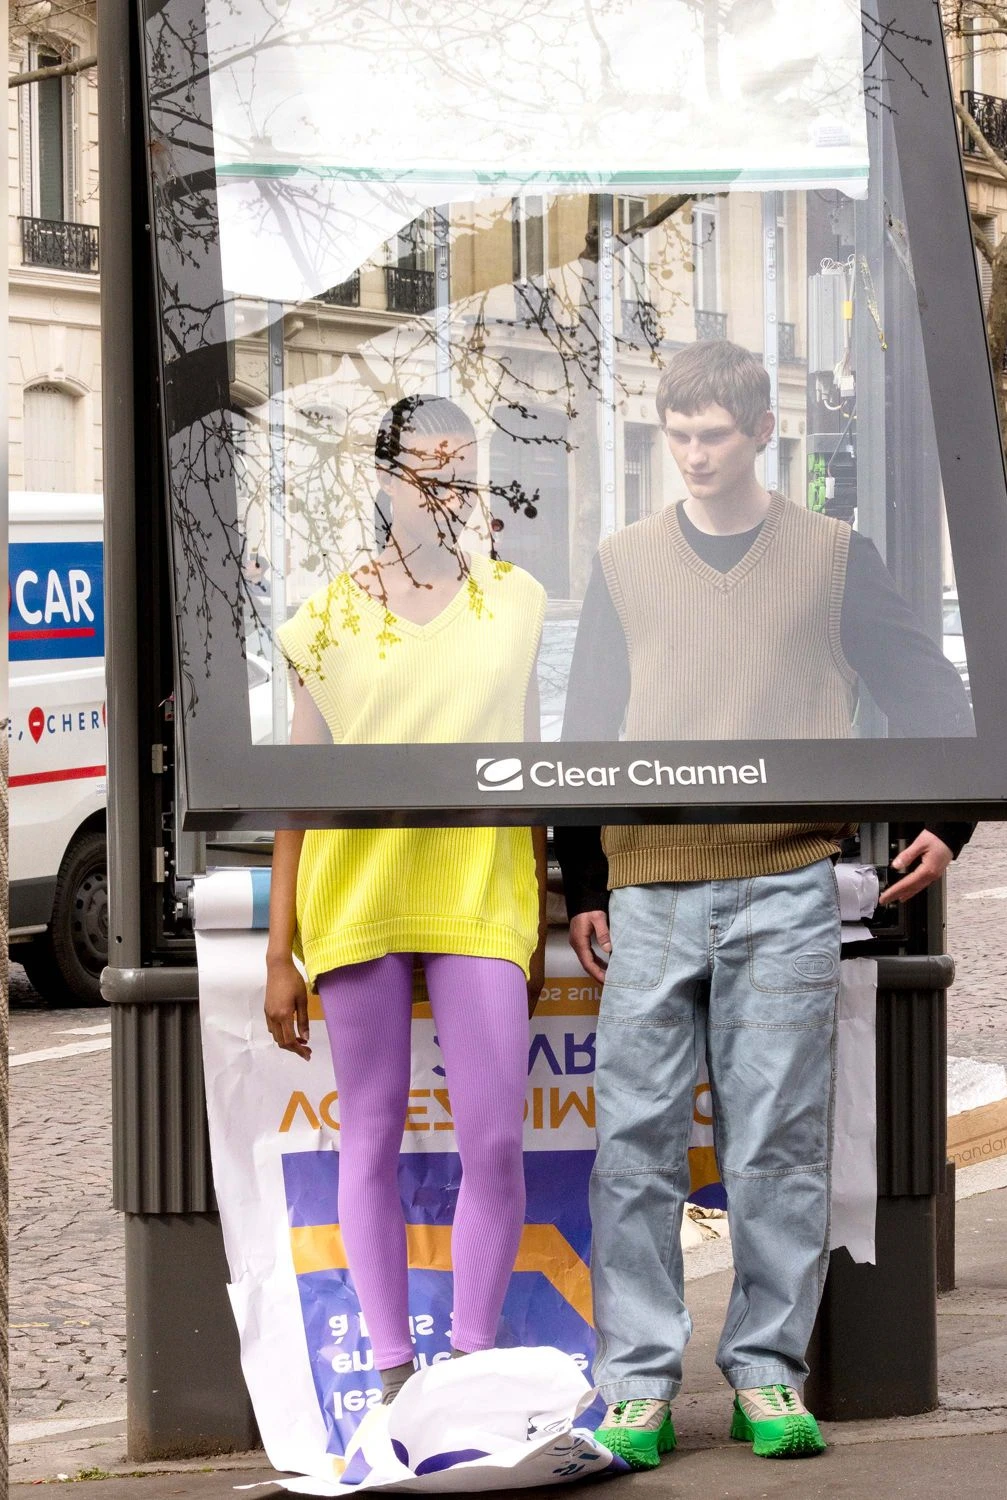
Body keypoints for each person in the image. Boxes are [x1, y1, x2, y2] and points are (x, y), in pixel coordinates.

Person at [555, 340, 973, 1467]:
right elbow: (587, 730)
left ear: (760, 434)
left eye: (713, 435)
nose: (693, 455)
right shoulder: (625, 562)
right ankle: (637, 1385)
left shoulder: (833, 559)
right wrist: (585, 880)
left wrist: (950, 816)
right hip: (649, 888)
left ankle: (766, 1371)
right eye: (677, 434)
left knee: (778, 1143)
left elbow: (928, 690)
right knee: (633, 1143)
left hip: (787, 878)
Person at [264, 395, 547, 1401]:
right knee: (371, 1133)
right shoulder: (328, 617)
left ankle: (468, 1363)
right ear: (384, 477)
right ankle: (392, 1371)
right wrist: (279, 952)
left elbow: (530, 765)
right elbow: (297, 793)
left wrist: (535, 910)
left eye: (462, 469)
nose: (445, 488)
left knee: (495, 1139)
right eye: (426, 468)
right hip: (359, 896)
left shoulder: (515, 601)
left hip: (481, 892)